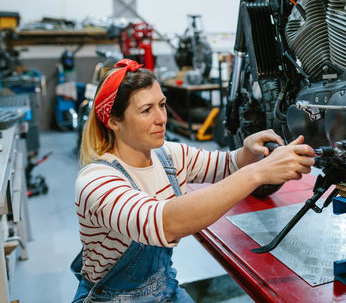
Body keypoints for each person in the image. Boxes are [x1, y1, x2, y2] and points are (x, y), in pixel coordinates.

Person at [71, 59, 315, 302]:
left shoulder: (167, 156)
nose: (161, 118)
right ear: (113, 122)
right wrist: (258, 172)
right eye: (146, 110)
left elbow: (225, 165)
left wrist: (247, 153)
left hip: (165, 288)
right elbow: (166, 222)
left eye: (162, 105)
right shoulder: (96, 181)